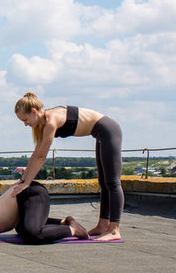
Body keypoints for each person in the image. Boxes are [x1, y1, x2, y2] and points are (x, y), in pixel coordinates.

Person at [13, 92, 123, 241]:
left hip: (108, 130)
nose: (25, 124)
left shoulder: (51, 121)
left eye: (25, 120)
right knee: (103, 183)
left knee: (113, 182)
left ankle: (115, 230)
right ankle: (103, 225)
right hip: (100, 134)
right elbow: (35, 154)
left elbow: (41, 157)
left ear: (34, 112)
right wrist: (22, 181)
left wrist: (26, 183)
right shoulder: (43, 123)